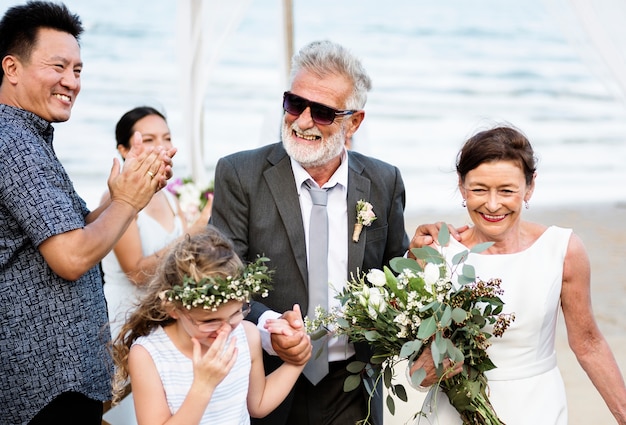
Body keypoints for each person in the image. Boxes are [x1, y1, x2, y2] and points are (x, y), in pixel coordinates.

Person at [210, 40, 410, 425]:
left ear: (354, 121)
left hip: (353, 385)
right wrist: (271, 328)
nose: (302, 121)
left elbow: (393, 276)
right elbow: (224, 281)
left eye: (321, 112)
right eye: (293, 104)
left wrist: (418, 262)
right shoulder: (240, 175)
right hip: (263, 378)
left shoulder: (385, 181)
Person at [0, 2, 175, 424]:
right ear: (12, 68)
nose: (71, 82)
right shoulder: (14, 143)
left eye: (78, 70)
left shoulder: (30, 137)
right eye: (58, 66)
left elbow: (76, 230)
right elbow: (72, 257)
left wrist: (125, 198)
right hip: (43, 381)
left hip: (58, 374)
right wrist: (129, 204)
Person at [409, 125, 626, 424]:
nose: (493, 204)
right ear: (461, 187)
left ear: (530, 186)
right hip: (451, 413)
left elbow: (588, 343)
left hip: (536, 407)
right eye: (479, 189)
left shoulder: (563, 249)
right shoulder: (435, 252)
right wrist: (426, 370)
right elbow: (417, 374)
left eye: (507, 190)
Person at [110, 226, 310, 424]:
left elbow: (258, 405)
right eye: (209, 321)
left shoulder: (246, 336)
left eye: (235, 314)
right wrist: (203, 386)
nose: (225, 329)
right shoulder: (149, 355)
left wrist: (298, 359)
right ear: (174, 309)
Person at [102, 106, 212, 340]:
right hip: (128, 317)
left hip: (167, 316)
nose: (161, 147)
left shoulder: (171, 198)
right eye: (149, 139)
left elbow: (184, 264)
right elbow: (137, 273)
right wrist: (194, 231)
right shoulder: (116, 198)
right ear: (123, 149)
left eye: (167, 138)